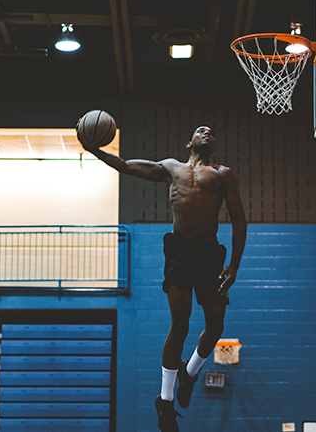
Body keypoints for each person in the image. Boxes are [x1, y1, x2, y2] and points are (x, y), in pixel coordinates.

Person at [81, 125, 247, 431]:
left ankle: (190, 372)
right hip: (179, 250)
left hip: (210, 253)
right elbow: (127, 166)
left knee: (216, 326)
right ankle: (166, 402)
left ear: (214, 145)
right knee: (180, 322)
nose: (207, 131)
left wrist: (234, 265)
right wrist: (95, 150)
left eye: (211, 131)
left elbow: (239, 220)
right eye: (200, 130)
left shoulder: (223, 174)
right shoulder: (172, 167)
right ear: (189, 142)